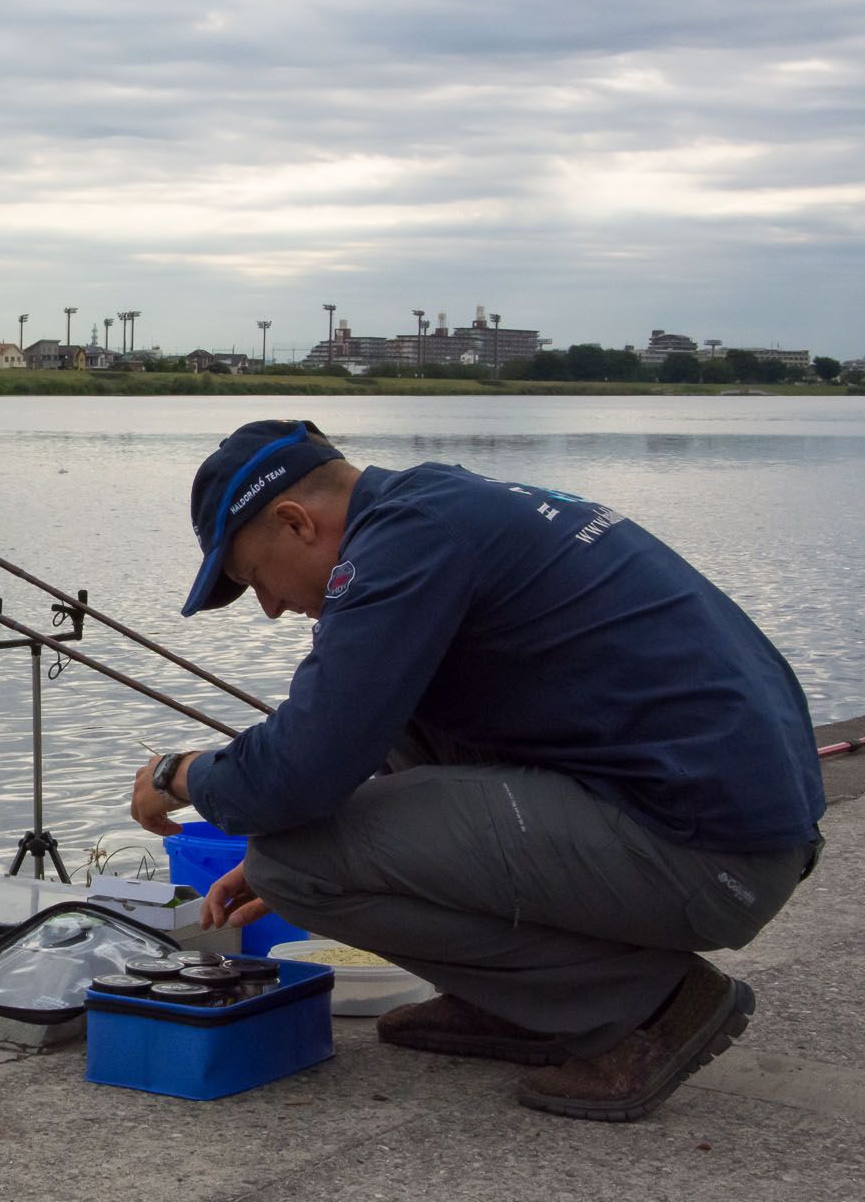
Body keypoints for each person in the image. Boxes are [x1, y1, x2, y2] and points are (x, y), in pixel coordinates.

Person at [130, 419, 824, 1122]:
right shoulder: (437, 508)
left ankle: (654, 1006)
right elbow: (347, 744)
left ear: (295, 521)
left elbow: (295, 772)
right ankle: (524, 1004)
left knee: (291, 864)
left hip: (708, 856)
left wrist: (176, 774)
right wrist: (316, 824)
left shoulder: (406, 547)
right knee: (372, 752)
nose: (271, 607)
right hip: (727, 828)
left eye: (255, 578)